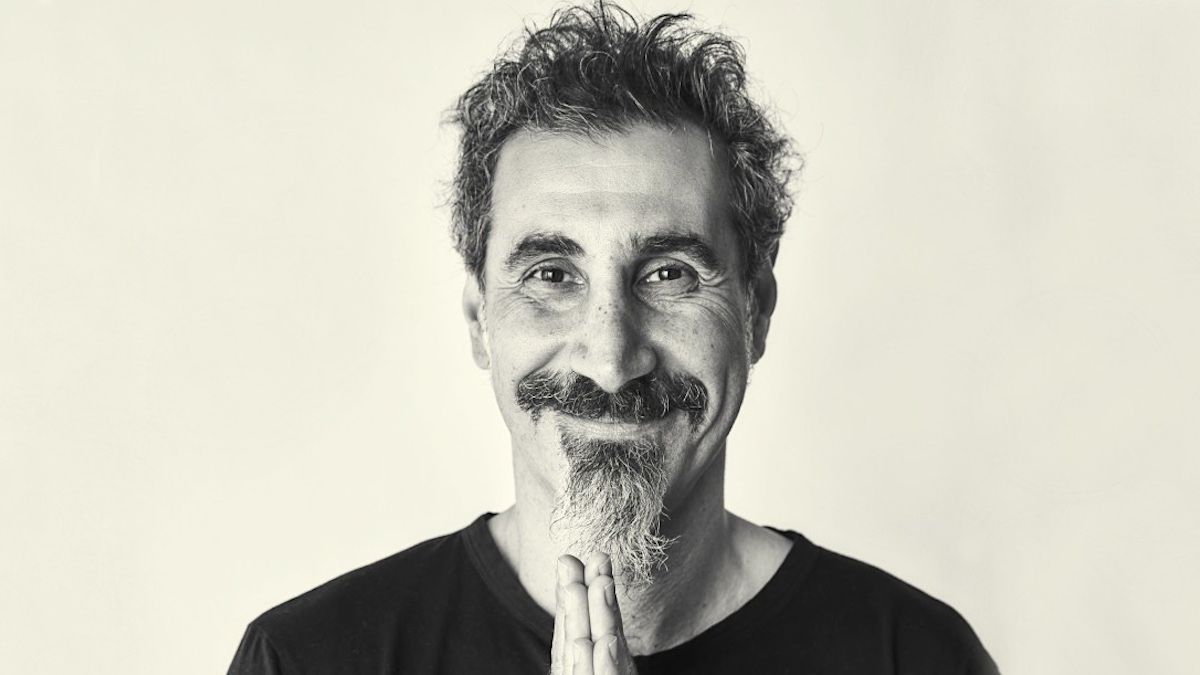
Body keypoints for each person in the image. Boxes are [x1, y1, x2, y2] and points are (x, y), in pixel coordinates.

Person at [228, 3, 999, 673]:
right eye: (552, 275)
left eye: (668, 274)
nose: (609, 358)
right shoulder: (307, 659)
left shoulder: (916, 656)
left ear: (756, 312)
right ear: (478, 321)